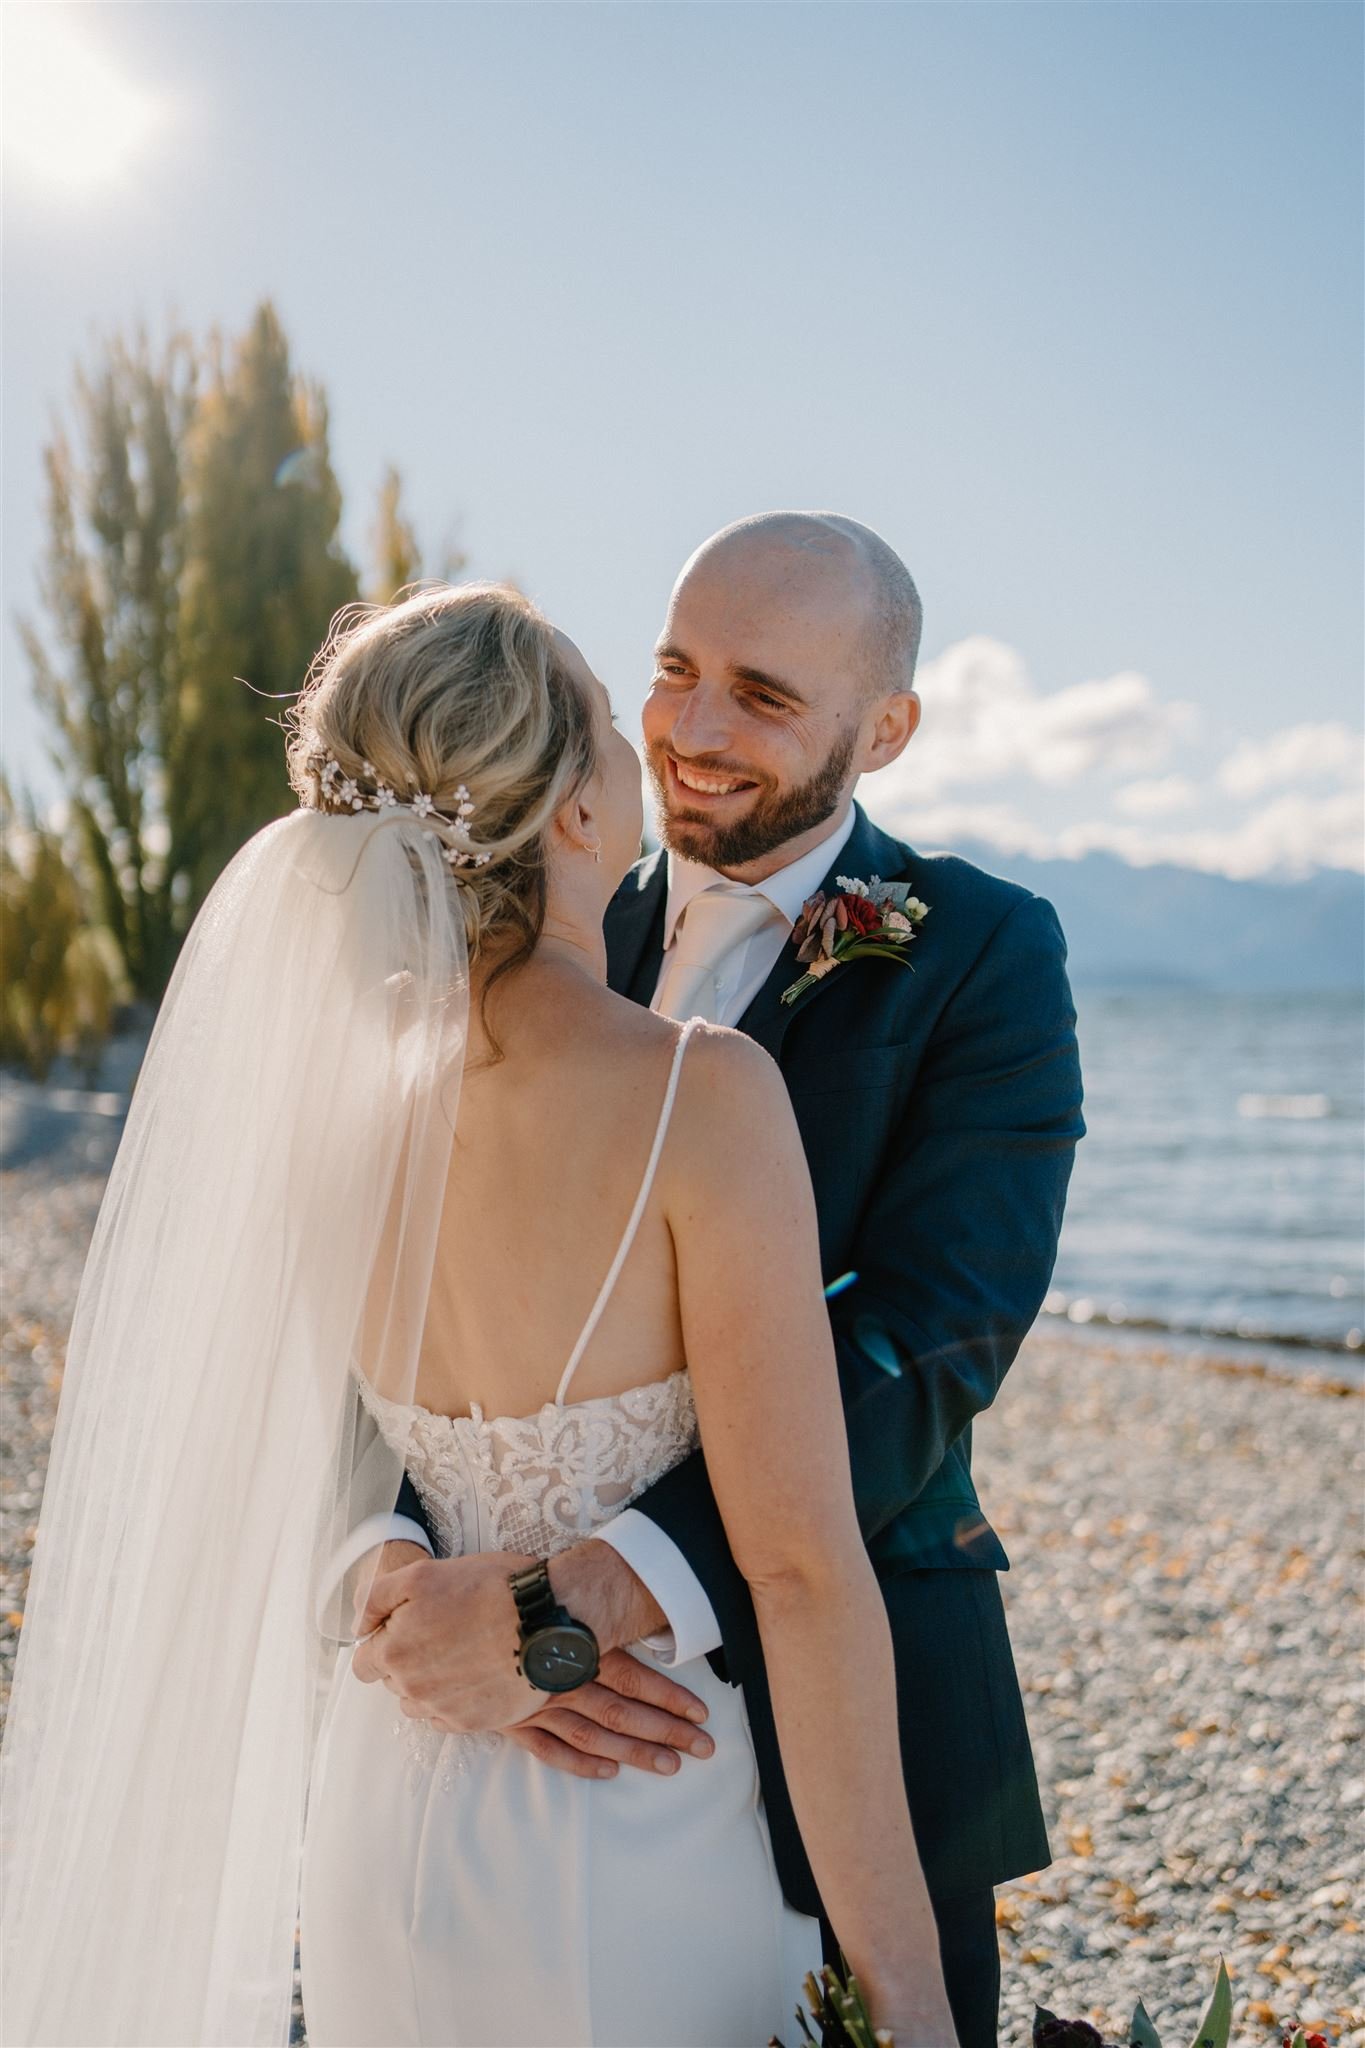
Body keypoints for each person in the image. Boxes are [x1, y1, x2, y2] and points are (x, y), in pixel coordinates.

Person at [0, 577, 957, 2048]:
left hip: (392, 1798)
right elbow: (803, 1576)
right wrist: (906, 1999)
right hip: (636, 1813)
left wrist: (392, 1583)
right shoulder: (699, 1094)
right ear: (573, 816)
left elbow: (295, 1449)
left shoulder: (322, 1118)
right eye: (611, 718)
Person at [353, 513, 1086, 2048]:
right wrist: (410, 1588)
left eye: (760, 694)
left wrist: (586, 1598)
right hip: (486, 1735)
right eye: (671, 672)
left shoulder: (980, 955)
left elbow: (931, 1336)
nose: (687, 731)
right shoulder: (520, 912)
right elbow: (363, 1345)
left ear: (882, 729)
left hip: (852, 1709)